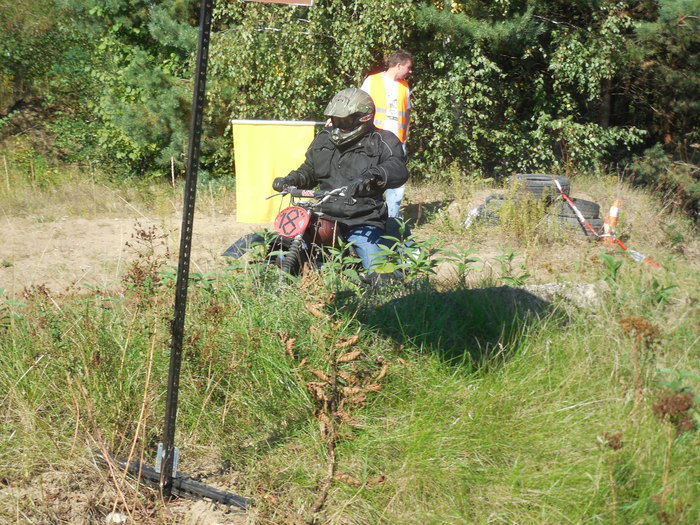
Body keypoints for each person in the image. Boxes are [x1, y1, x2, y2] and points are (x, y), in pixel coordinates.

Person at [272, 88, 408, 272]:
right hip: (323, 217)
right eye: (336, 120)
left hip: (362, 220)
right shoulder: (324, 139)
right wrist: (291, 179)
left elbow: (397, 167)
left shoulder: (382, 140)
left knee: (378, 270)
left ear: (364, 117)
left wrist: (373, 175)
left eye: (344, 120)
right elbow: (309, 170)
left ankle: (390, 281)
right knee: (283, 248)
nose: (338, 125)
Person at [360, 50, 413, 219]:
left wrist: (405, 137)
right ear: (398, 65)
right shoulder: (372, 81)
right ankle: (370, 216)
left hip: (397, 141)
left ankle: (392, 219)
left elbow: (407, 114)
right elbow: (358, 105)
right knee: (370, 177)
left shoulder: (404, 86)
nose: (410, 71)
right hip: (375, 140)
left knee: (397, 182)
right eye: (408, 67)